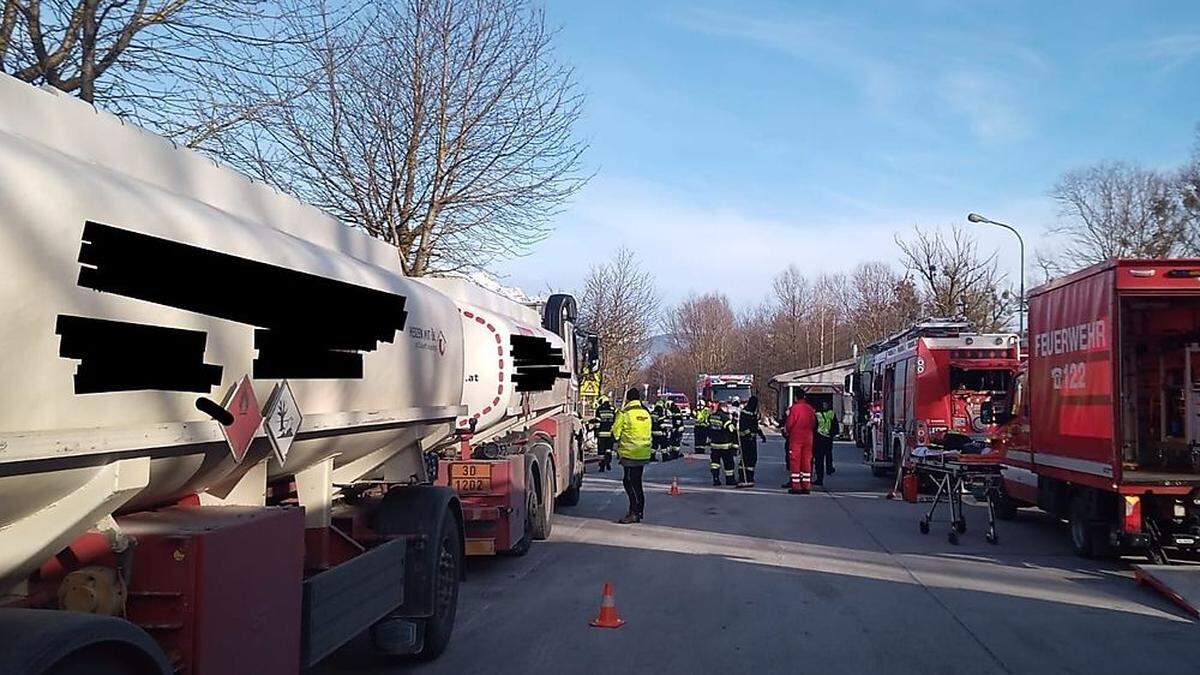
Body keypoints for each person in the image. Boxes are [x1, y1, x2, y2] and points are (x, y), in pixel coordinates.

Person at [611, 388, 653, 523]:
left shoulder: (625, 413)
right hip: (643, 452)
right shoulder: (646, 413)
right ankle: (639, 511)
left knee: (629, 481)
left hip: (629, 453)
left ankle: (634, 512)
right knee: (637, 482)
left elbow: (616, 433)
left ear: (628, 399)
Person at [782, 390, 816, 494]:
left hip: (796, 438)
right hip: (808, 438)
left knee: (795, 461)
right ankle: (806, 485)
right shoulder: (810, 409)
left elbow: (789, 424)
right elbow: (814, 423)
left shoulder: (794, 409)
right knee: (806, 461)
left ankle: (796, 486)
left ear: (796, 397)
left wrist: (786, 431)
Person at [737, 395, 767, 487]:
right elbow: (743, 426)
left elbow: (755, 425)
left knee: (752, 459)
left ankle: (750, 476)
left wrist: (761, 434)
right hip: (745, 439)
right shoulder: (745, 412)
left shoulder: (753, 413)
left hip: (752, 439)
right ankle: (743, 476)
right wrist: (748, 434)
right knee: (745, 459)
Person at [707, 401, 738, 486]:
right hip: (725, 445)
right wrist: (734, 421)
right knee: (728, 463)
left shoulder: (711, 416)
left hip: (714, 445)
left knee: (715, 463)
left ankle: (715, 479)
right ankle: (729, 480)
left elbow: (708, 428)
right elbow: (731, 429)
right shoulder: (724, 417)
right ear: (723, 407)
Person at [813, 401, 839, 485]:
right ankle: (829, 468)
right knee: (828, 455)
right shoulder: (831, 414)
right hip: (827, 438)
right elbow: (835, 426)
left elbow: (813, 426)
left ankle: (820, 478)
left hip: (819, 439)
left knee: (819, 459)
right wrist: (832, 434)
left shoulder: (816, 414)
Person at [593, 395, 616, 472]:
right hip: (610, 434)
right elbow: (616, 422)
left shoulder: (599, 410)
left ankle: (602, 466)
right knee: (608, 450)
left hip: (601, 434)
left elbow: (597, 423)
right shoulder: (613, 410)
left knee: (601, 451)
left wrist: (595, 433)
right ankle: (608, 463)